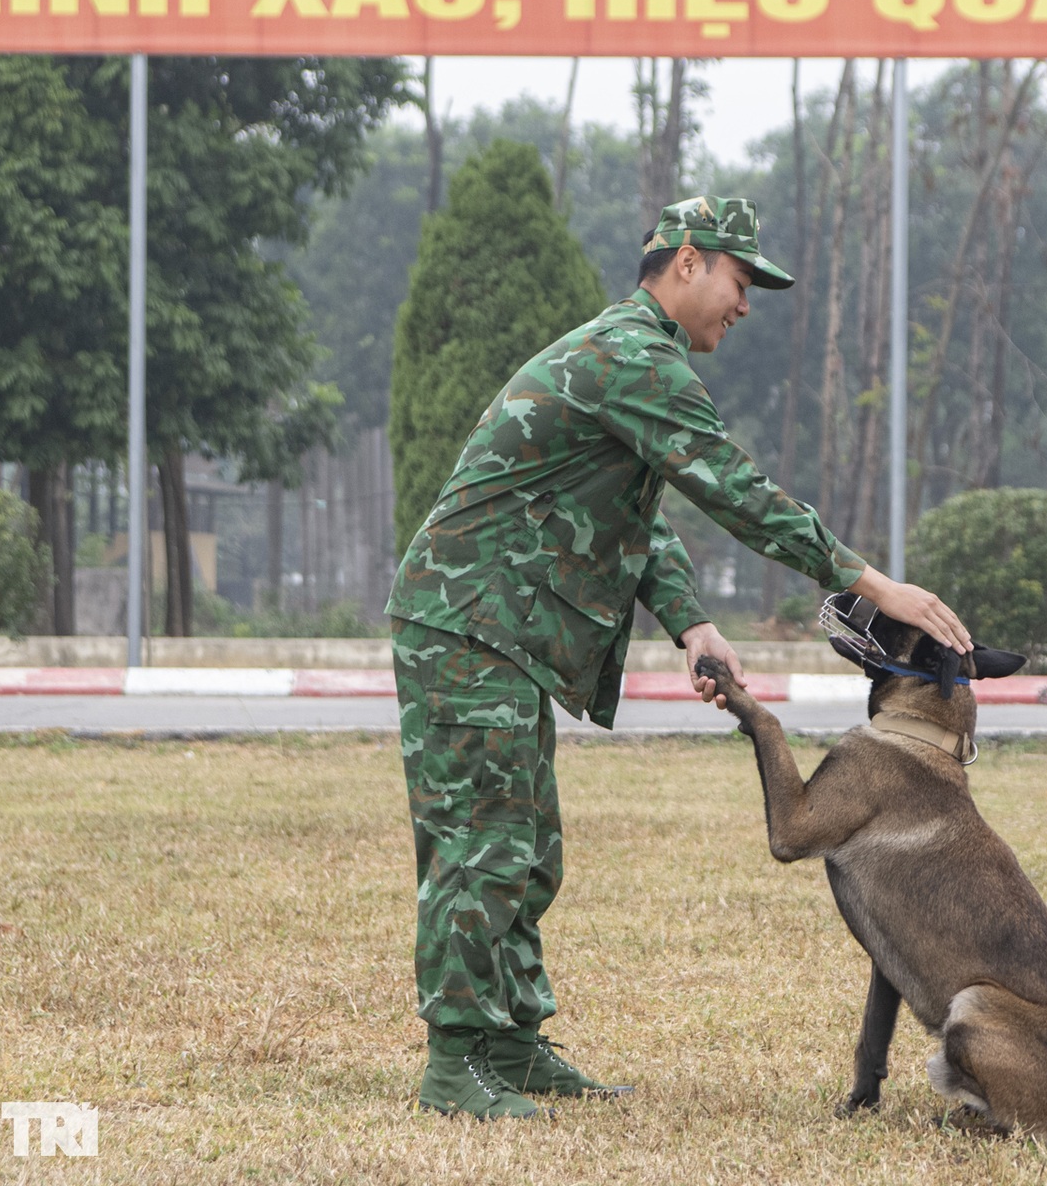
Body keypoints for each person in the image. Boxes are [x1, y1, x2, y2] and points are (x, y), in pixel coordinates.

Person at [384, 194, 971, 1119]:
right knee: (485, 845)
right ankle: (455, 1062)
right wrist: (871, 584)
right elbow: (735, 490)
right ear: (688, 262)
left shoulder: (631, 357)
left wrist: (690, 622)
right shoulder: (634, 358)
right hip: (467, 624)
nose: (745, 305)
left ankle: (511, 1041)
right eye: (741, 282)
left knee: (530, 849)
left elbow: (637, 514)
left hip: (493, 627)